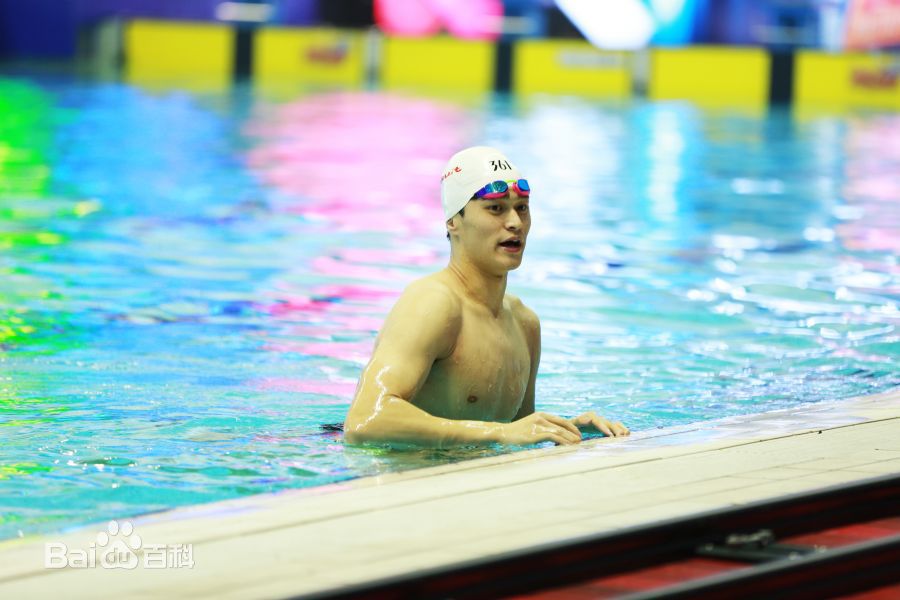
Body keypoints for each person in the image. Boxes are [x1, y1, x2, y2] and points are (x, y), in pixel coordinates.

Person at [344, 146, 629, 447]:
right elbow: (364, 420)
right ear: (454, 221)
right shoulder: (433, 304)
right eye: (495, 208)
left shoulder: (524, 323)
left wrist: (567, 429)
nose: (515, 223)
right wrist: (500, 432)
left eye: (522, 207)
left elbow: (515, 435)